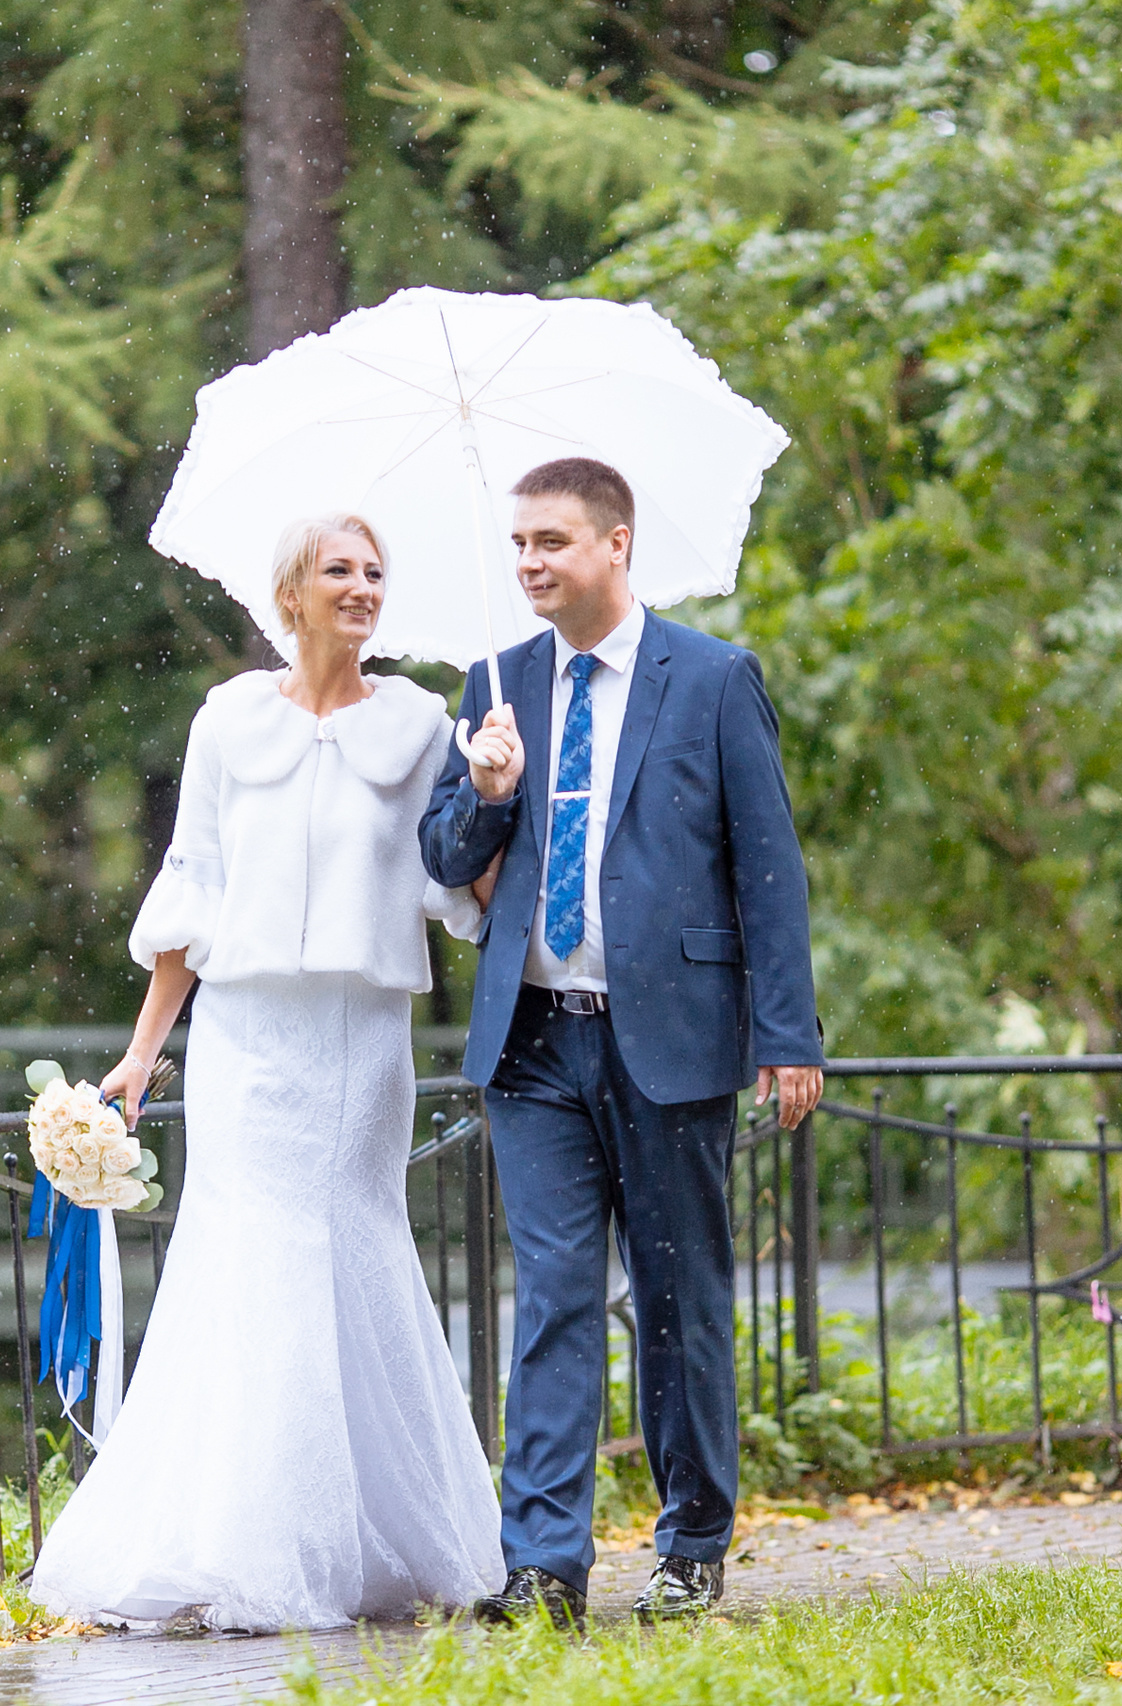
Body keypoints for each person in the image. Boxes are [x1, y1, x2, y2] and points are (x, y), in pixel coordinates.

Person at [27, 514, 502, 1633]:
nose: (362, 588)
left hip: (359, 1040)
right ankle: (226, 1540)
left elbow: (461, 891)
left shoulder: (426, 723)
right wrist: (144, 1052)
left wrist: (488, 791)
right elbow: (192, 884)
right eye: (338, 570)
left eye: (375, 572)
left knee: (347, 1247)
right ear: (288, 594)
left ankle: (371, 1534)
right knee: (238, 1255)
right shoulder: (228, 720)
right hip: (243, 1038)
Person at [419, 456, 824, 1626]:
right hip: (534, 1042)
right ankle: (542, 1563)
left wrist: (784, 1032)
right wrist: (486, 788)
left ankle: (691, 1541)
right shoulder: (495, 682)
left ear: (616, 543)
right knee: (550, 1295)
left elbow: (768, 868)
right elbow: (447, 858)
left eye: (551, 541)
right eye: (519, 546)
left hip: (672, 1039)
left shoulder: (709, 678)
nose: (530, 564)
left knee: (676, 1294)